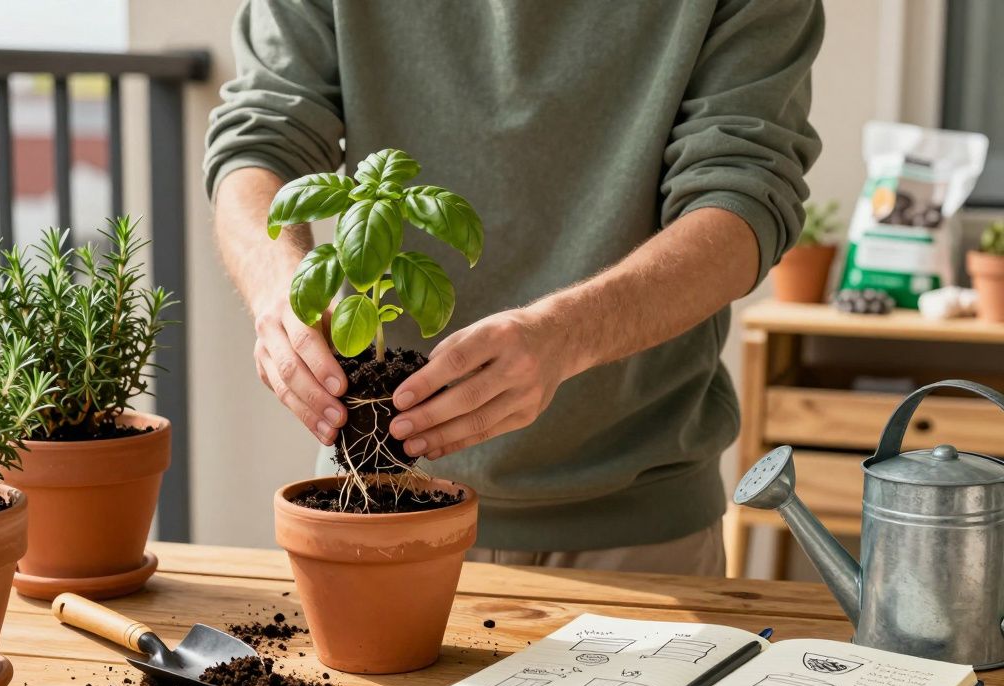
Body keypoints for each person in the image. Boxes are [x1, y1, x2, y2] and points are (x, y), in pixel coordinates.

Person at [204, 0, 822, 576]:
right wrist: (282, 291)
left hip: (638, 529)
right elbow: (260, 137)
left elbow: (744, 194)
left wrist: (567, 334)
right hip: (378, 501)